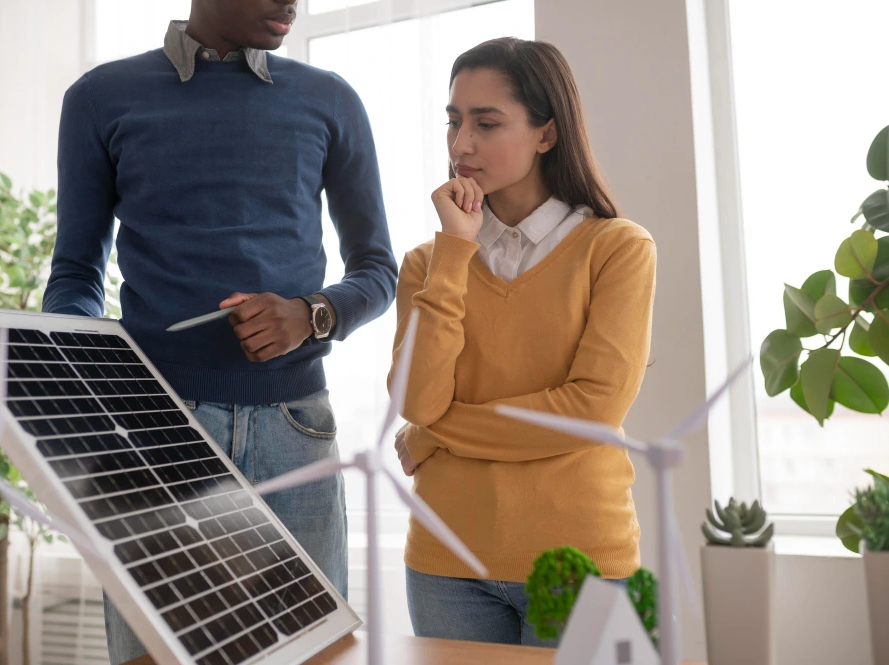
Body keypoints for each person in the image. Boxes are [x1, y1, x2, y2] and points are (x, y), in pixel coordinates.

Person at [42, 1, 397, 662]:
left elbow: (378, 271)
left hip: (295, 432)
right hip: (153, 431)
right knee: (157, 654)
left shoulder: (330, 101)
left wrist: (309, 314)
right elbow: (76, 272)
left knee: (310, 652)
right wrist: (61, 352)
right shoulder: (100, 98)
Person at [389, 37, 656, 647]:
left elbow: (592, 410)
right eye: (454, 121)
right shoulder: (428, 262)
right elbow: (416, 399)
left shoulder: (617, 249)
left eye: (487, 123)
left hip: (583, 564)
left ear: (546, 133)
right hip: (443, 565)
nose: (461, 145)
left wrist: (437, 432)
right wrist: (455, 251)